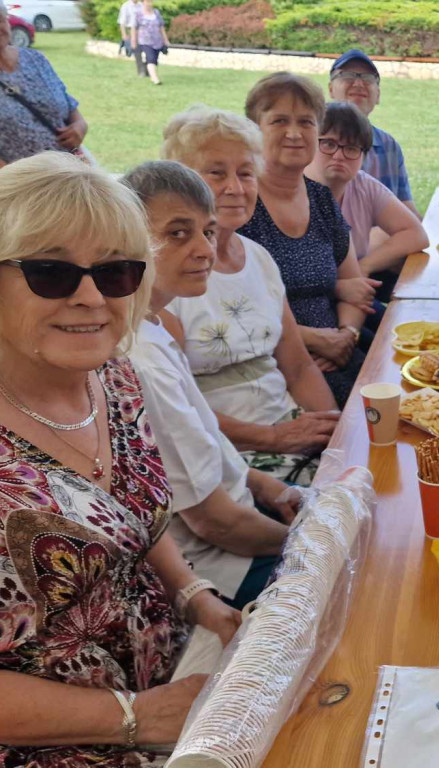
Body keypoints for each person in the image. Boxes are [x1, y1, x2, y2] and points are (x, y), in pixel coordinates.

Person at [0, 152, 241, 764]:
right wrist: (133, 718)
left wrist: (195, 596)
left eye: (115, 273)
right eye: (50, 272)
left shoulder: (115, 376)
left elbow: (134, 515)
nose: (89, 297)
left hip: (179, 686)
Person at [123, 160, 304, 609]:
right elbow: (214, 523)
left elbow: (212, 454)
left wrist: (267, 487)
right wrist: (306, 545)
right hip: (223, 569)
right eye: (177, 233)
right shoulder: (141, 362)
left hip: (246, 523)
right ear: (123, 239)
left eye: (206, 231)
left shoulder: (155, 328)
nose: (205, 250)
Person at [161, 105, 342, 481]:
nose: (236, 187)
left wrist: (335, 435)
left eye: (246, 173)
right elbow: (174, 411)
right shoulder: (167, 277)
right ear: (181, 183)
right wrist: (274, 438)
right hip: (225, 458)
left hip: (292, 433)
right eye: (216, 173)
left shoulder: (258, 258)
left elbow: (299, 367)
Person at [240, 72, 372, 408]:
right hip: (273, 370)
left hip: (339, 355)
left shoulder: (322, 200)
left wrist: (347, 336)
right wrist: (314, 341)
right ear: (255, 130)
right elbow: (234, 317)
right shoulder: (238, 206)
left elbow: (353, 285)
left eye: (306, 122)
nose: (295, 133)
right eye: (279, 121)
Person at [307, 100, 428, 304]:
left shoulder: (363, 186)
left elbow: (417, 235)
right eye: (328, 144)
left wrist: (365, 266)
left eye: (352, 148)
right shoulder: (293, 191)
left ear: (363, 156)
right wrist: (341, 286)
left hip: (354, 301)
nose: (339, 155)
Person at [328, 49, 419, 218]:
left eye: (368, 78)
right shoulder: (314, 145)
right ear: (331, 89)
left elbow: (407, 209)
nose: (358, 84)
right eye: (348, 75)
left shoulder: (389, 146)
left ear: (378, 95)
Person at [0, 4, 88, 166]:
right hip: (17, 183)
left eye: (0, 20)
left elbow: (66, 101)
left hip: (67, 168)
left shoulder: (35, 59)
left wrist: (80, 125)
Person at [129, 0, 169, 86]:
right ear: (143, 3)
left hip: (157, 41)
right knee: (150, 58)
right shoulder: (138, 14)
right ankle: (155, 79)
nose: (149, 4)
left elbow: (161, 27)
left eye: (151, 1)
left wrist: (165, 40)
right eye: (147, 2)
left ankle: (152, 75)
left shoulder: (156, 13)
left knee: (154, 59)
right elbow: (134, 28)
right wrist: (133, 41)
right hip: (145, 41)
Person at [117, 0, 144, 77]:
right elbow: (122, 22)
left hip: (142, 31)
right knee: (137, 51)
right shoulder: (126, 6)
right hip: (131, 30)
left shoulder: (141, 5)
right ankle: (141, 70)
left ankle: (147, 68)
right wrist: (124, 35)